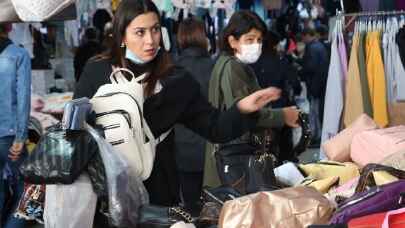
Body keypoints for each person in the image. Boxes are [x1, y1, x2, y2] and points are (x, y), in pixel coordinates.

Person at [74, 0, 281, 207]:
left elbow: (215, 128)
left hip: (157, 195)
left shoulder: (175, 80)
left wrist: (242, 108)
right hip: (103, 193)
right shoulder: (97, 71)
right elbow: (75, 129)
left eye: (155, 30)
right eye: (140, 32)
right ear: (122, 35)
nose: (150, 40)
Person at [204, 10, 300, 188]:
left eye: (259, 40)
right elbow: (241, 115)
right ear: (233, 41)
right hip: (233, 164)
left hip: (231, 160)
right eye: (249, 39)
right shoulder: (232, 68)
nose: (256, 45)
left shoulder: (230, 64)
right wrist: (282, 116)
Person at [173, 18, 214, 214]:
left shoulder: (172, 69)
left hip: (182, 149)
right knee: (215, 206)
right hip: (211, 147)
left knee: (191, 208)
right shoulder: (214, 67)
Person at [250, 30, 302, 162]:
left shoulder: (251, 64)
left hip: (259, 115)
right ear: (274, 45)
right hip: (281, 113)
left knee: (261, 153)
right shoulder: (281, 62)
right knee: (284, 152)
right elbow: (295, 84)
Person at [0, 23, 31, 228]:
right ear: (10, 25)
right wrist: (21, 137)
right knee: (27, 190)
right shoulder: (18, 54)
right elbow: (23, 99)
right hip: (10, 134)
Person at [300, 27, 329, 146]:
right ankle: (318, 136)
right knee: (318, 111)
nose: (302, 40)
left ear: (307, 35)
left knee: (315, 113)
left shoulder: (312, 48)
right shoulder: (320, 46)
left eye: (303, 37)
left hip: (315, 84)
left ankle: (316, 137)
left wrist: (301, 69)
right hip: (321, 84)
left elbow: (311, 67)